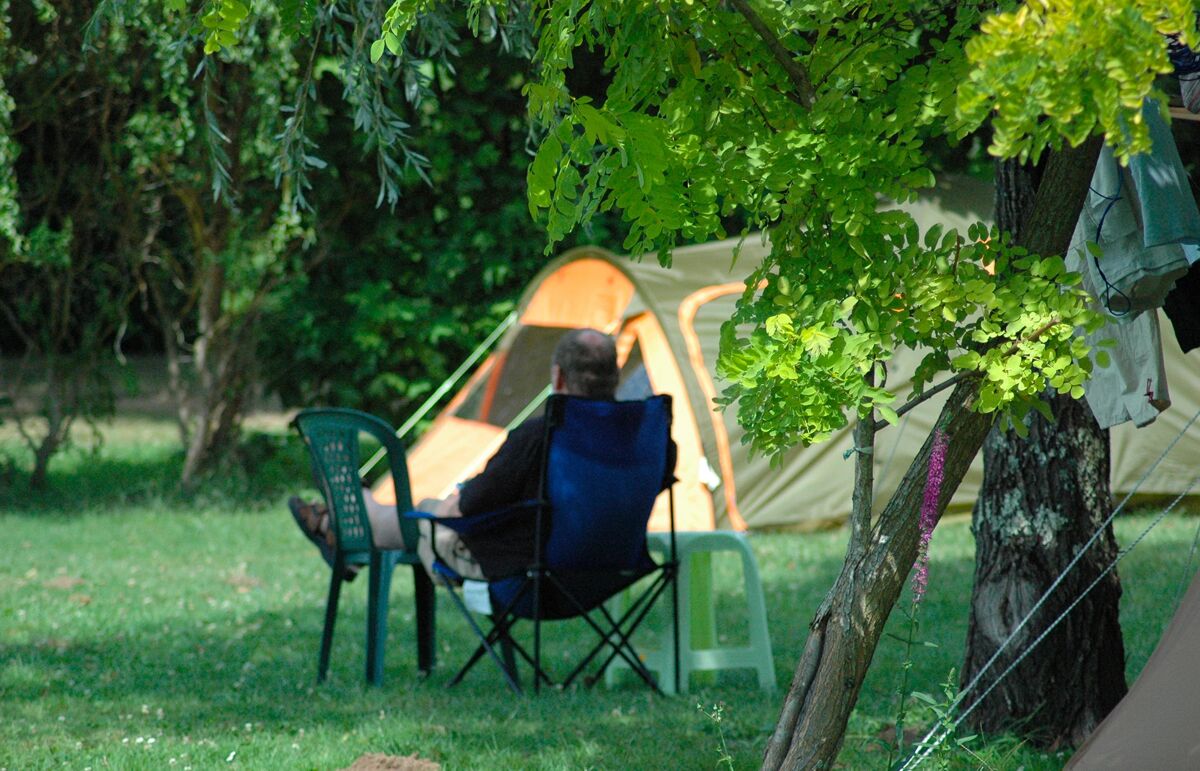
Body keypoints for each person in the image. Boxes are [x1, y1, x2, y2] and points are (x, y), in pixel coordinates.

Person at [288, 327, 674, 582]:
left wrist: (460, 501)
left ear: (557, 377)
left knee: (429, 513)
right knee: (433, 508)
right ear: (616, 377)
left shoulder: (543, 434)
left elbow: (476, 502)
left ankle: (345, 518)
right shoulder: (648, 435)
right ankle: (348, 519)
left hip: (528, 571)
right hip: (613, 566)